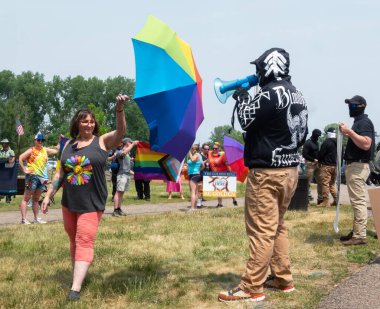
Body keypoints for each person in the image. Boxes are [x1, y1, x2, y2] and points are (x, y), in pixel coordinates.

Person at [218, 48, 308, 302]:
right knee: (277, 226)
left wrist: (243, 97)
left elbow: (247, 120)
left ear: (267, 67)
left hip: (267, 172)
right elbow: (301, 133)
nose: (256, 72)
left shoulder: (269, 94)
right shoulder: (298, 94)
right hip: (289, 170)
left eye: (259, 67)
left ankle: (251, 286)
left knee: (261, 230)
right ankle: (283, 279)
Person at [41, 95, 128, 301]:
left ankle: (75, 289)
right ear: (77, 123)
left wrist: (119, 109)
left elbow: (121, 132)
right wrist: (47, 196)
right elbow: (60, 174)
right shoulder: (68, 145)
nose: (89, 124)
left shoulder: (102, 141)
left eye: (91, 121)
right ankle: (77, 277)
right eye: (84, 120)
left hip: (92, 202)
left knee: (84, 240)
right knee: (74, 241)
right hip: (69, 203)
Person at [339, 95, 375, 246]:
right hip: (355, 166)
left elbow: (366, 144)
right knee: (356, 201)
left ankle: (360, 235)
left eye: (353, 105)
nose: (350, 108)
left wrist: (349, 132)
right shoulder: (359, 122)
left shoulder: (364, 122)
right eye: (349, 105)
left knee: (358, 201)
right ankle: (357, 231)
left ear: (361, 106)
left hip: (358, 167)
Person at [18, 132, 59, 224]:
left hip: (42, 178)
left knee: (36, 199)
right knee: (26, 198)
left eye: (42, 140)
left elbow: (56, 151)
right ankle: (24, 219)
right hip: (32, 176)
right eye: (38, 140)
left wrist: (61, 141)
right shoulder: (31, 150)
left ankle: (36, 218)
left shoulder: (44, 150)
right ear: (35, 141)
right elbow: (20, 157)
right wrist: (24, 169)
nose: (40, 141)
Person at [113, 137, 138, 216]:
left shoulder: (128, 154)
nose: (131, 144)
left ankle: (119, 209)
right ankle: (115, 210)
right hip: (121, 175)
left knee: (122, 192)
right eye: (130, 142)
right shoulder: (120, 151)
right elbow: (123, 153)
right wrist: (133, 144)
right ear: (127, 143)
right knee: (118, 192)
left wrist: (134, 173)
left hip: (126, 175)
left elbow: (127, 167)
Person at [208, 142, 238, 207]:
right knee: (218, 189)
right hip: (215, 174)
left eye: (216, 148)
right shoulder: (210, 154)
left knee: (228, 188)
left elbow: (227, 165)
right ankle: (220, 203)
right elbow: (204, 152)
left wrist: (230, 173)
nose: (214, 150)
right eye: (213, 148)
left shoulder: (223, 155)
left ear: (219, 149)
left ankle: (234, 200)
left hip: (224, 174)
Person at [317, 128, 338, 207]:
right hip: (336, 166)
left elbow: (321, 154)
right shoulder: (339, 143)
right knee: (332, 184)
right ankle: (336, 200)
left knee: (325, 184)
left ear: (328, 133)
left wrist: (319, 162)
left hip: (326, 166)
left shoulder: (326, 142)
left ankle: (325, 202)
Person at [302, 129, 322, 203]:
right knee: (308, 182)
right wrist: (313, 159)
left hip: (317, 164)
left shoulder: (317, 143)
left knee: (320, 181)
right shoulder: (307, 143)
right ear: (314, 134)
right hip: (310, 164)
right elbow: (304, 154)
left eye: (319, 136)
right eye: (317, 135)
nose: (318, 137)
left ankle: (320, 199)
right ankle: (305, 199)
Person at [187, 144, 203, 211]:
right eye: (192, 148)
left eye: (195, 148)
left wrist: (189, 152)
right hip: (194, 174)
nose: (194, 150)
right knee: (195, 192)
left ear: (198, 149)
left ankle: (192, 208)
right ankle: (195, 207)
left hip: (194, 175)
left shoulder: (197, 155)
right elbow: (203, 165)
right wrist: (199, 169)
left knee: (192, 192)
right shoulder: (198, 155)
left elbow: (193, 160)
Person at [0, 138, 16, 203]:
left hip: (8, 171)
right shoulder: (0, 151)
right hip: (1, 171)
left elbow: (13, 159)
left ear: (7, 144)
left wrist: (10, 161)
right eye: (2, 143)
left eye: (5, 143)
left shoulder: (11, 151)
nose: (3, 144)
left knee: (8, 182)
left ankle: (8, 196)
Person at [197, 143, 210, 207]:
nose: (207, 150)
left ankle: (200, 202)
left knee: (203, 190)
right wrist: (205, 161)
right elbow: (198, 165)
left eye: (208, 149)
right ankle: (198, 204)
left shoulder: (208, 156)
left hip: (207, 175)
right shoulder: (199, 156)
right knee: (200, 190)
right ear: (202, 149)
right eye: (206, 149)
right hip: (200, 175)